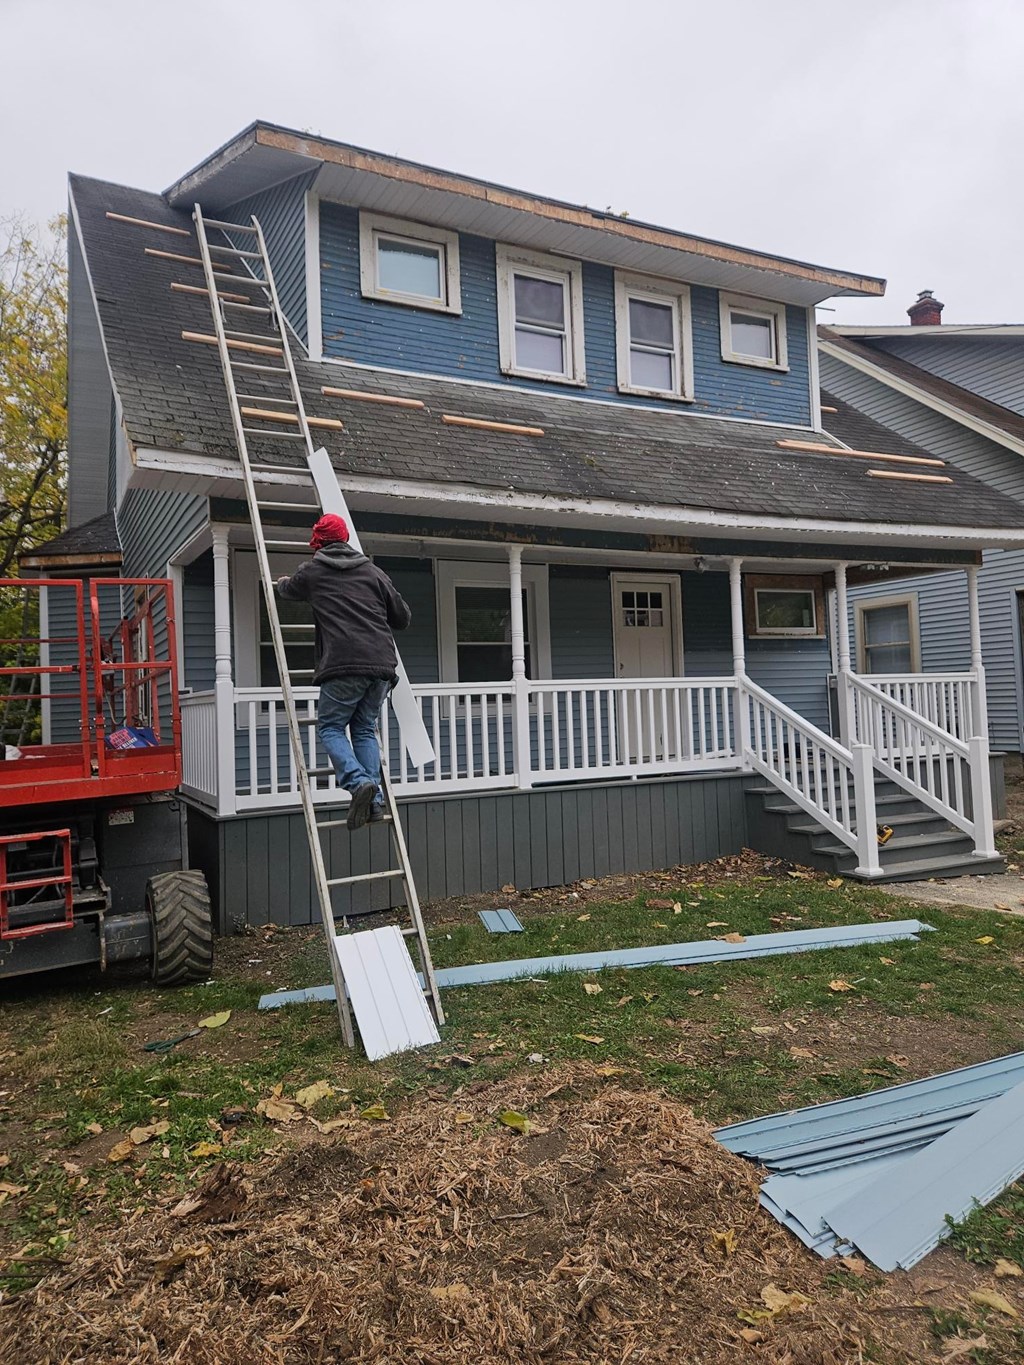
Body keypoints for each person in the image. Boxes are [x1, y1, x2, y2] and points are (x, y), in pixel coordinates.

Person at [276, 514, 411, 829]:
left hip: (342, 665)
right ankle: (374, 804)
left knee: (331, 728)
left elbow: (288, 590)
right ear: (346, 537)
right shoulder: (374, 573)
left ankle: (357, 782)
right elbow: (402, 618)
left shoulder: (312, 572)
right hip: (381, 666)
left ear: (319, 542)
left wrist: (281, 581)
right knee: (364, 728)